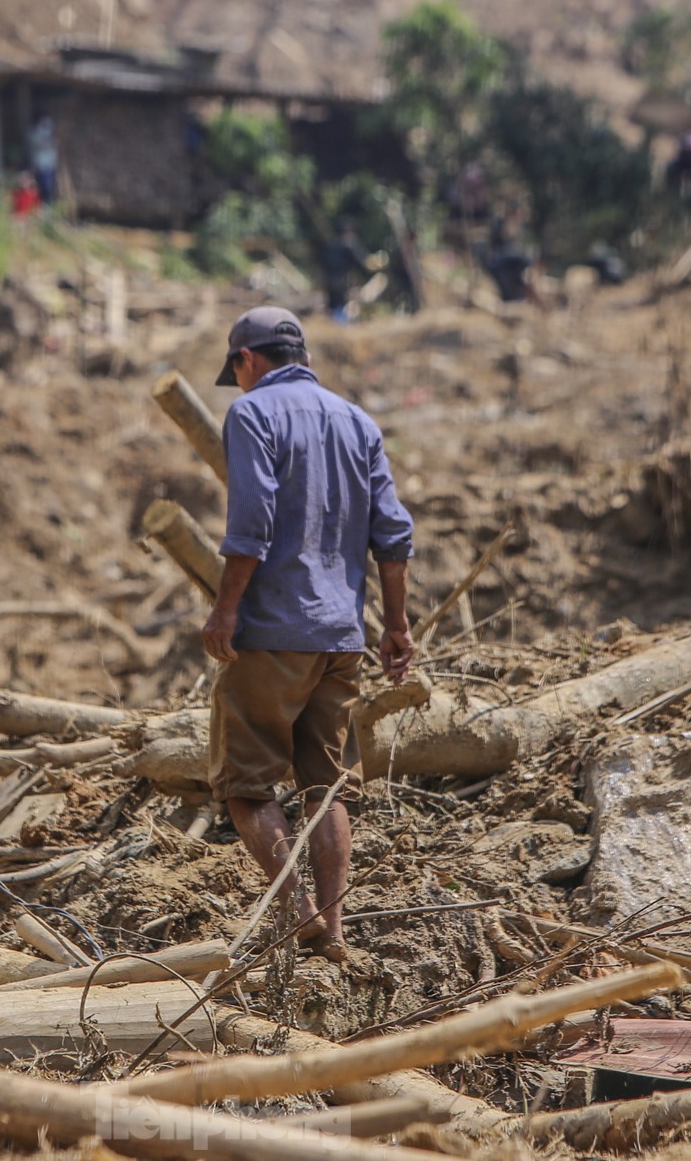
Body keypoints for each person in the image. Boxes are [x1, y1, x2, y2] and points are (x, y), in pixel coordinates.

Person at [202, 307, 415, 962]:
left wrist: (226, 608)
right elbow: (394, 531)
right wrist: (397, 624)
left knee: (243, 786)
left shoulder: (251, 415)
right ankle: (335, 929)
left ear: (247, 359)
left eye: (234, 370)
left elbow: (252, 521)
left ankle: (297, 913)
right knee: (327, 786)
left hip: (271, 632)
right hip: (340, 638)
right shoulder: (357, 421)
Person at [320, 220, 366, 325]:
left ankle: (335, 326)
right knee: (341, 305)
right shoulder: (348, 245)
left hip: (329, 280)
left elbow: (323, 262)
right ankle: (341, 327)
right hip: (341, 281)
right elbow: (359, 262)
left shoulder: (331, 245)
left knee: (333, 306)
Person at [29, 114, 59, 205]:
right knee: (43, 187)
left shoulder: (49, 130)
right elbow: (38, 145)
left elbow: (55, 141)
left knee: (51, 187)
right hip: (42, 165)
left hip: (51, 164)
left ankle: (49, 205)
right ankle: (44, 205)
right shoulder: (34, 133)